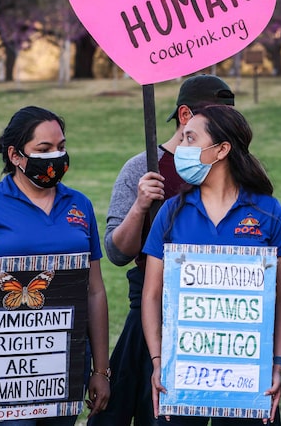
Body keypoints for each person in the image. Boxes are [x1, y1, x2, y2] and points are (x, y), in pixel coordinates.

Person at [0, 106, 110, 424]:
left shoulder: (80, 204)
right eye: (44, 149)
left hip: (66, 358)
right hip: (3, 365)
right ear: (16, 155)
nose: (56, 157)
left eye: (61, 147)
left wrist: (101, 369)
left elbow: (94, 291)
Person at [141, 105, 281, 425]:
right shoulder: (170, 213)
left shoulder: (269, 213)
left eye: (189, 138)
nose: (180, 147)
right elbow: (151, 296)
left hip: (249, 381)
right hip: (181, 378)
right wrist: (159, 362)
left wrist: (276, 365)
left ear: (222, 149)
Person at [92, 75, 235, 426]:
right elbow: (116, 252)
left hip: (215, 309)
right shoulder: (142, 167)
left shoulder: (231, 167)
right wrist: (140, 206)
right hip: (154, 307)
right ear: (185, 115)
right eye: (214, 118)